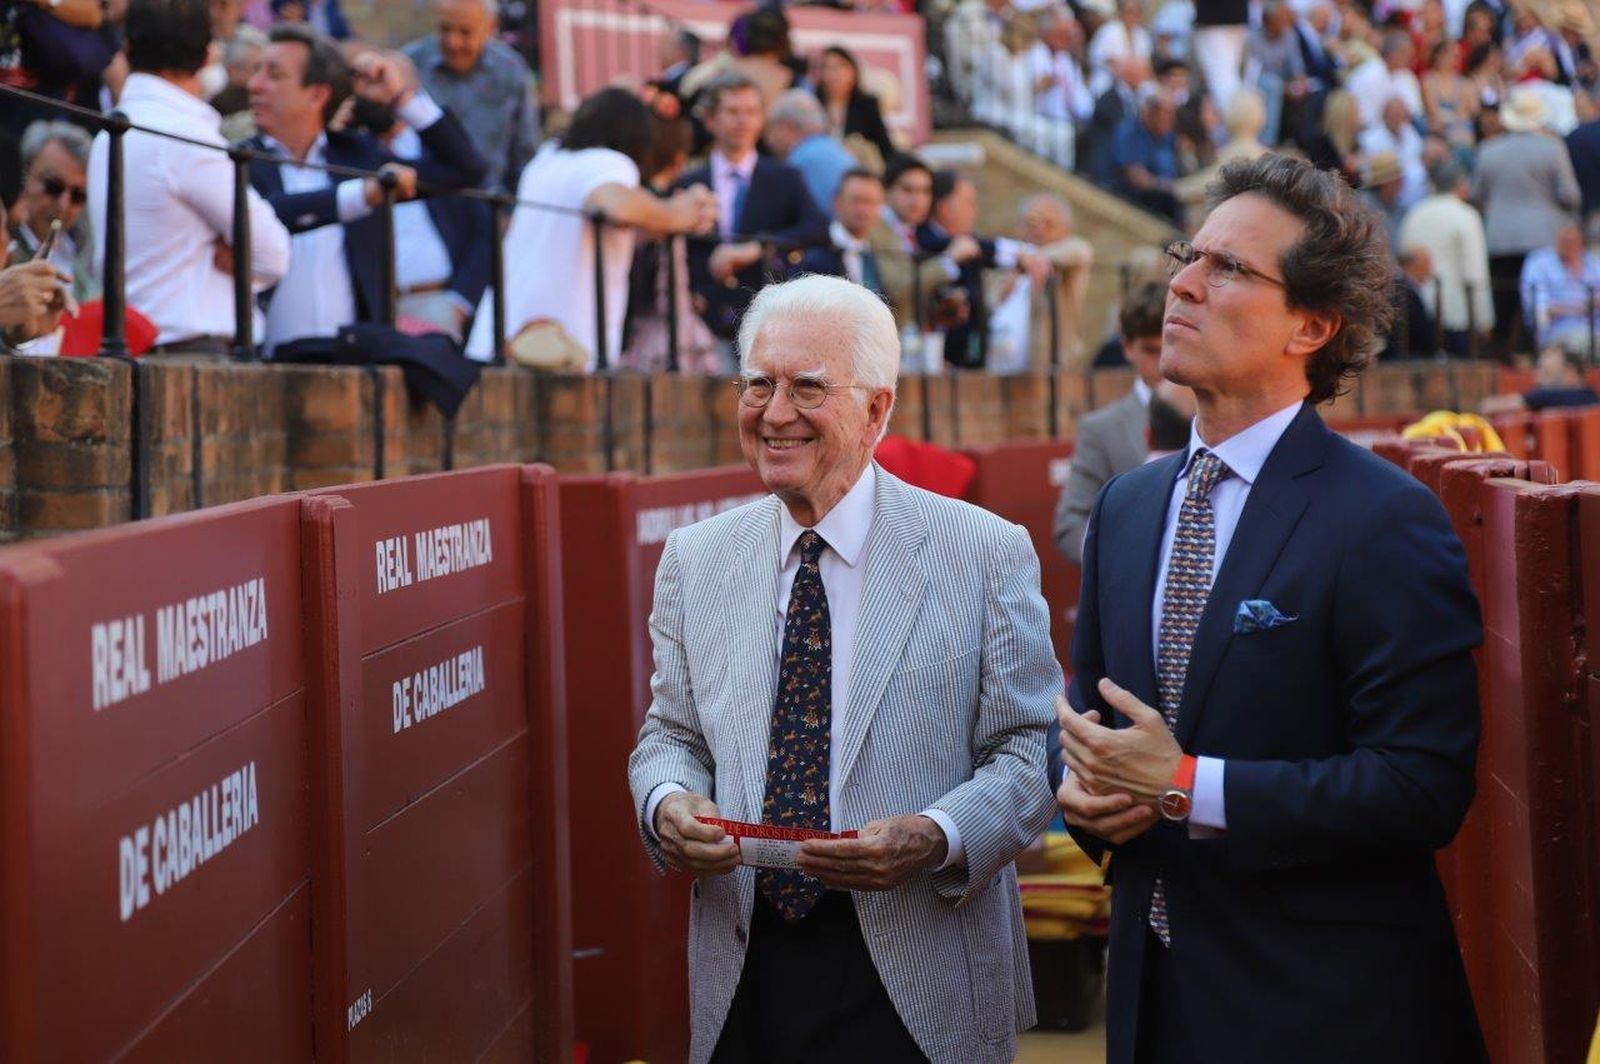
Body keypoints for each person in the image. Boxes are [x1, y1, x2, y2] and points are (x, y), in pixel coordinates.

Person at [1057, 152, 1486, 1063]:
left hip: (1326, 1015)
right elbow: (1102, 739)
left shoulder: (1383, 517)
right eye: (1188, 255)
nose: (1183, 283)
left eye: (1229, 269)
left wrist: (1181, 786)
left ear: (1313, 325)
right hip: (1150, 1006)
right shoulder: (1128, 508)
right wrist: (1090, 802)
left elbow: (1420, 788)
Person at [627, 272, 1058, 1064]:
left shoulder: (984, 551)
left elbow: (1030, 757)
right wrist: (666, 803)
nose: (776, 412)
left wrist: (936, 835)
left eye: (808, 387)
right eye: (759, 383)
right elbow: (670, 734)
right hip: (743, 975)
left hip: (920, 981)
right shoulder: (696, 558)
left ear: (876, 409)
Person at [242, 29, 487, 354]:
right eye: (256, 72)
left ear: (316, 94)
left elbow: (464, 169)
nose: (254, 85)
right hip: (262, 367)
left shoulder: (354, 156)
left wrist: (402, 98)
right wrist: (362, 195)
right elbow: (265, 214)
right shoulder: (240, 159)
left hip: (353, 365)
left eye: (274, 75)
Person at [89, 0, 291, 354]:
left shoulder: (109, 133)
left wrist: (240, 255)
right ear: (207, 55)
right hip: (190, 357)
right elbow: (273, 253)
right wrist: (238, 257)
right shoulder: (183, 136)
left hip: (134, 351)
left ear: (127, 49)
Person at [466, 88, 715, 368]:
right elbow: (613, 204)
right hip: (557, 351)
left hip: (496, 336)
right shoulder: (609, 162)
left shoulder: (546, 159)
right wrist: (677, 214)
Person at [679, 71, 827, 348]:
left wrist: (757, 246)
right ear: (710, 120)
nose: (743, 120)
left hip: (768, 321)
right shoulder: (688, 183)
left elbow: (817, 229)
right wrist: (691, 292)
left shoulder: (785, 178)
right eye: (733, 111)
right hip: (703, 324)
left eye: (751, 111)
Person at [1052, 279, 1166, 566]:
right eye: (1152, 350)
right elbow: (1071, 525)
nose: (1165, 362)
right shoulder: (1101, 428)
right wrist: (1122, 568)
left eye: (1172, 345)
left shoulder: (1223, 412)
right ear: (1127, 347)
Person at [1473, 86, 1582, 354]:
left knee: (1505, 300)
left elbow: (1477, 194)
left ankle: (1503, 353)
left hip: (1499, 237)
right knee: (1537, 300)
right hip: (1541, 235)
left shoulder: (1488, 149)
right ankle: (1534, 352)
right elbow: (1570, 194)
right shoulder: (1552, 148)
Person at [402, 0, 540, 191]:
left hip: (487, 201)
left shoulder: (510, 72)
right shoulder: (411, 65)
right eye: (445, 29)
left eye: (465, 32)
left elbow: (524, 152)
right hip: (426, 200)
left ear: (490, 28)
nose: (453, 42)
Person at [1399, 158, 1495, 354]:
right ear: (1460, 184)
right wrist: (1484, 319)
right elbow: (1475, 269)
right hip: (1458, 314)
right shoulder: (1466, 215)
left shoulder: (1415, 213)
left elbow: (1404, 261)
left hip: (1418, 312)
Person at [8, 120, 97, 302]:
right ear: (25, 174)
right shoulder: (4, 246)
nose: (63, 205)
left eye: (78, 195)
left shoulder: (81, 251)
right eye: (53, 186)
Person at [764, 89, 857, 217]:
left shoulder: (799, 160)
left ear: (787, 126)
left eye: (770, 129)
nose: (768, 140)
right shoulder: (835, 149)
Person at [1518, 221, 1600, 350]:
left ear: (1581, 241)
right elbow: (1540, 311)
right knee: (1583, 340)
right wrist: (1584, 307)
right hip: (1556, 335)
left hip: (1595, 330)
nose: (1568, 244)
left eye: (1573, 240)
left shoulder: (1593, 263)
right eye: (1564, 240)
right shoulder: (1539, 263)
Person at [811, 45, 895, 167]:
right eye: (827, 67)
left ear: (853, 71)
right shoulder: (812, 103)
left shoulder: (866, 106)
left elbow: (885, 147)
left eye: (840, 66)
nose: (833, 73)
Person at [1111, 85, 1181, 222]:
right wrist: (1174, 187)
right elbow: (1137, 179)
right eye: (1166, 114)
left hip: (1170, 203)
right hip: (1139, 205)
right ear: (1150, 112)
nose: (1171, 120)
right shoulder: (1129, 132)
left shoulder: (1168, 136)